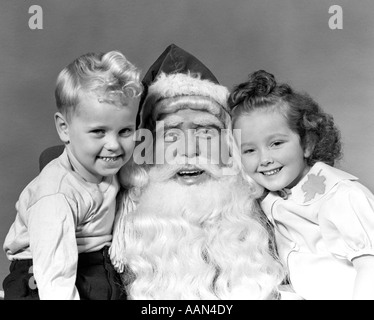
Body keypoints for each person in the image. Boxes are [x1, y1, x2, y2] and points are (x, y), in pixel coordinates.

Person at [109, 44, 287, 300]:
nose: (190, 150)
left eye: (205, 132)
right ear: (145, 147)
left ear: (229, 145)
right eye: (170, 134)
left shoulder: (273, 217)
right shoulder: (112, 223)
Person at [2, 50, 143, 300]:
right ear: (64, 128)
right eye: (99, 131)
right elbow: (55, 275)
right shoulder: (55, 195)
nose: (114, 145)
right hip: (44, 275)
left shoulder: (110, 168)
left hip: (95, 264)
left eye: (125, 131)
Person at [228, 69, 374, 300]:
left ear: (307, 143)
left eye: (276, 143)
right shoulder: (269, 201)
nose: (264, 159)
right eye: (249, 150)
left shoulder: (341, 196)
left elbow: (370, 266)